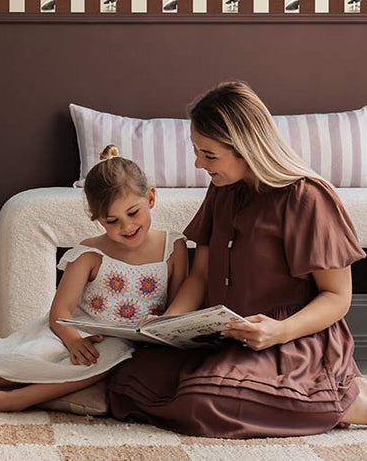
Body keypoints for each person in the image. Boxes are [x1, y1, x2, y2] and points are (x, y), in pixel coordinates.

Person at [108, 80, 367, 438]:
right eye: (196, 151)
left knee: (206, 400)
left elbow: (337, 297)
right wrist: (167, 325)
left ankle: (340, 399)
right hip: (224, 335)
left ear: (246, 148)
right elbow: (199, 277)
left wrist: (278, 331)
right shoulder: (223, 189)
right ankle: (318, 402)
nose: (199, 164)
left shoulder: (308, 198)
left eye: (209, 155)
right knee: (129, 376)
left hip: (293, 339)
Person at [0, 145, 189, 413]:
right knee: (27, 356)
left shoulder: (173, 248)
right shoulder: (90, 253)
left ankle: (14, 400)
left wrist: (157, 325)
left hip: (124, 343)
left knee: (103, 361)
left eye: (133, 213)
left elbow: (177, 305)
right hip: (72, 331)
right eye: (112, 221)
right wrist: (74, 341)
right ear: (98, 219)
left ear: (150, 198)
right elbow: (60, 312)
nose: (126, 226)